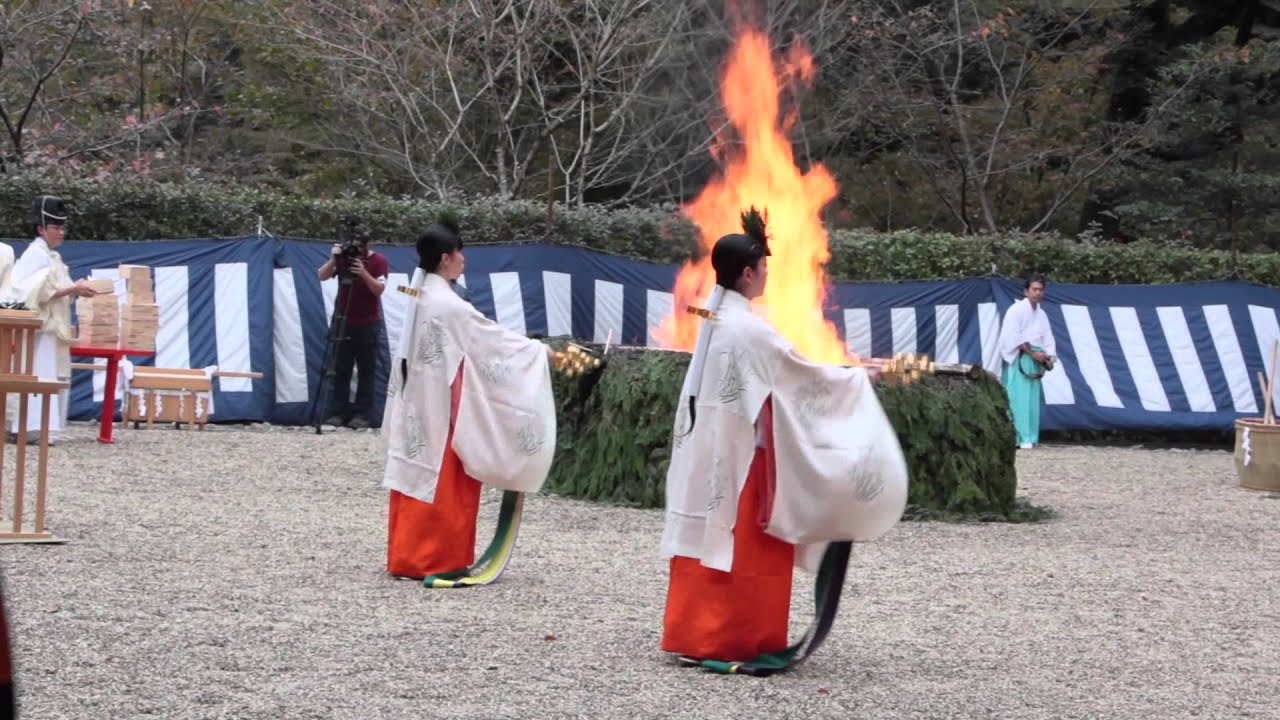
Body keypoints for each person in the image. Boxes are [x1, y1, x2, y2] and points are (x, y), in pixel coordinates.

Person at [660, 208, 908, 675]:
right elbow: (802, 377)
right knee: (749, 545)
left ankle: (694, 633)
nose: (768, 279)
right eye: (765, 271)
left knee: (705, 537)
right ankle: (736, 636)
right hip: (742, 458)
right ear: (748, 273)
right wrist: (855, 380)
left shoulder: (712, 313)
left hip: (707, 446)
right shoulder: (750, 330)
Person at [381, 215, 558, 584]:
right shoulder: (447, 303)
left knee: (416, 470)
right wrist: (539, 352)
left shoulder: (420, 293)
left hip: (419, 399)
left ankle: (406, 554)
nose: (464, 260)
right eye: (460, 253)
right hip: (441, 405)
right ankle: (434, 557)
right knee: (442, 478)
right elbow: (489, 339)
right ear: (445, 258)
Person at [7, 195, 98, 441]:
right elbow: (26, 292)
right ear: (41, 229)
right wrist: (72, 289)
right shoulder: (34, 254)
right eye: (56, 227)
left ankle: (42, 427)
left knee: (50, 374)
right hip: (38, 328)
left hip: (52, 328)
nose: (61, 232)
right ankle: (26, 428)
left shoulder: (52, 257)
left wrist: (77, 289)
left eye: (62, 227)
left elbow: (59, 288)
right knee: (36, 374)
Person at [316, 216, 389, 430]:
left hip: (368, 322)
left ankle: (362, 414)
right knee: (341, 368)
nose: (358, 251)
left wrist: (363, 272)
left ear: (368, 245)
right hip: (343, 319)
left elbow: (379, 289)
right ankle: (338, 412)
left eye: (362, 247)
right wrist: (333, 259)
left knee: (366, 370)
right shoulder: (342, 258)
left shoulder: (379, 261)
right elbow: (321, 275)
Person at [997, 276, 1057, 449]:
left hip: (1037, 360)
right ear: (1026, 291)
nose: (1037, 293)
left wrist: (1049, 356)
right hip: (1021, 358)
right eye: (1034, 289)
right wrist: (1031, 353)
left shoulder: (1042, 313)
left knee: (1031, 400)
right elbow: (1012, 336)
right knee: (1018, 399)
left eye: (1040, 289)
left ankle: (1030, 436)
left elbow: (1047, 336)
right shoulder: (1016, 310)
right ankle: (1018, 437)